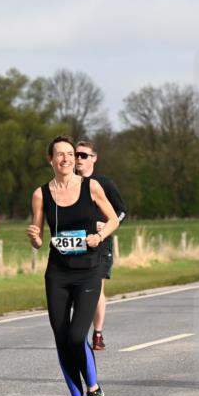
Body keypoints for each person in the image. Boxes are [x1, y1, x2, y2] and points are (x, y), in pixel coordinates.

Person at [29, 137, 120, 396]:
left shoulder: (90, 186)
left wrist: (100, 236)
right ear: (51, 159)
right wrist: (35, 238)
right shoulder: (41, 194)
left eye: (70, 154)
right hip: (58, 273)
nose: (67, 159)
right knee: (61, 338)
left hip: (88, 270)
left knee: (76, 335)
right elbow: (38, 236)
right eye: (60, 154)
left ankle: (94, 391)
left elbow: (113, 219)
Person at [75, 140, 126, 353]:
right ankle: (77, 333)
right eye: (76, 155)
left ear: (94, 158)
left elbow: (121, 211)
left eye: (84, 155)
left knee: (96, 288)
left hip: (101, 243)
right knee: (76, 289)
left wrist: (105, 226)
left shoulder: (104, 183)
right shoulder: (69, 182)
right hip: (77, 244)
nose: (78, 159)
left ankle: (97, 334)